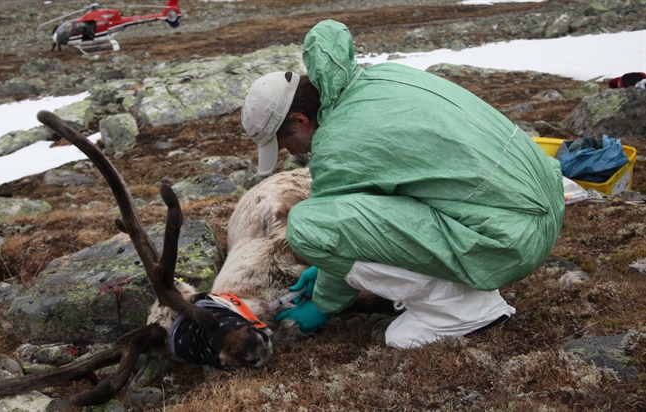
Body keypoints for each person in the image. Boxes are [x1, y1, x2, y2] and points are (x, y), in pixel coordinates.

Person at [241, 20, 565, 349]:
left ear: (299, 121)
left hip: (510, 240)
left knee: (307, 225)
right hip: (542, 204)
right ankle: (464, 286)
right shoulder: (381, 77)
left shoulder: (338, 146)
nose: (291, 154)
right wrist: (324, 270)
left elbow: (334, 231)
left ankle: (461, 309)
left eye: (284, 144)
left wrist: (323, 304)